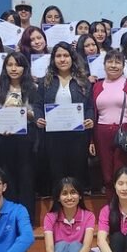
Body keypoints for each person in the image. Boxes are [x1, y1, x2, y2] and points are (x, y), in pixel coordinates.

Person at [35, 42, 95, 189]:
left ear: (72, 58)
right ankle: (58, 203)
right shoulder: (45, 81)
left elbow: (89, 106)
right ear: (53, 59)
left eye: (66, 55)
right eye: (58, 56)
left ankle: (78, 202)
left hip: (77, 137)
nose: (62, 59)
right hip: (53, 138)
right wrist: (38, 118)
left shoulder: (83, 81)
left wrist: (90, 119)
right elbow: (37, 105)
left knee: (77, 174)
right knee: (57, 175)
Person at [0, 52, 39, 218]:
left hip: (26, 138)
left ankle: (26, 218)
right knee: (6, 178)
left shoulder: (33, 88)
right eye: (10, 65)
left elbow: (38, 113)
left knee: (26, 178)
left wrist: (24, 113)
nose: (13, 68)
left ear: (24, 68)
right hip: (2, 138)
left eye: (17, 65)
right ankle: (9, 217)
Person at [92, 50, 127, 199]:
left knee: (122, 175)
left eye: (118, 62)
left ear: (123, 66)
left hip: (125, 133)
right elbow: (93, 114)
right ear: (104, 65)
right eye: (110, 62)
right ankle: (111, 209)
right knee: (107, 176)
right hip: (101, 134)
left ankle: (126, 207)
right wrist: (91, 140)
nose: (113, 65)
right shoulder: (97, 86)